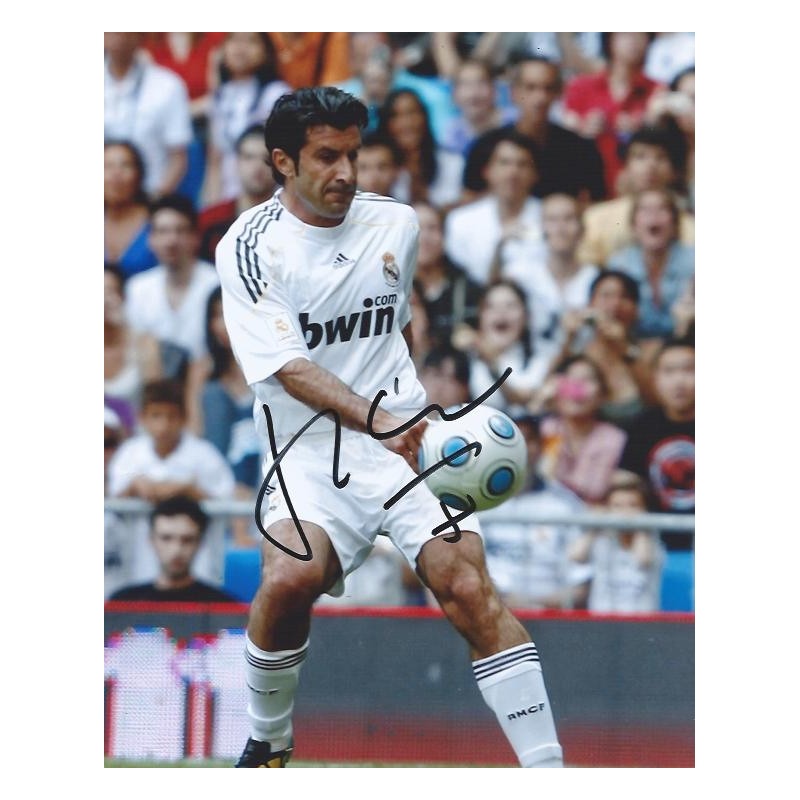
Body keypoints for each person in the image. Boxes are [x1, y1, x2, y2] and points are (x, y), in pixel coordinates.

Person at [214, 87, 563, 768]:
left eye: (354, 154)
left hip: (407, 441)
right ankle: (269, 739)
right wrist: (379, 419)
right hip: (307, 450)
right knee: (290, 578)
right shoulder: (250, 246)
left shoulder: (396, 223)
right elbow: (288, 367)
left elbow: (397, 327)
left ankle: (548, 771)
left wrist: (409, 416)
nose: (347, 172)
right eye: (327, 157)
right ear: (283, 161)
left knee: (467, 585)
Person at [106, 379, 236, 585]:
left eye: (171, 416)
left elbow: (226, 501)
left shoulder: (204, 454)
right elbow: (113, 499)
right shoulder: (130, 453)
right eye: (156, 416)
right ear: (142, 418)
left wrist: (188, 491)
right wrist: (135, 486)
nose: (164, 425)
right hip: (139, 559)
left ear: (183, 418)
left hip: (196, 562)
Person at [124, 194, 219, 426]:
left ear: (195, 237)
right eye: (162, 231)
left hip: (207, 392)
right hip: (152, 393)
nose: (171, 240)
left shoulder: (216, 284)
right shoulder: (138, 288)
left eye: (180, 231)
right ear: (150, 239)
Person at [481, 414, 590, 610]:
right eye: (509, 441)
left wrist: (531, 606)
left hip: (550, 617)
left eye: (527, 440)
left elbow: (580, 586)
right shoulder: (477, 501)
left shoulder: (567, 505)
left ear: (541, 448)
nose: (519, 448)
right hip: (486, 611)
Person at [462, 57, 606, 204]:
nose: (540, 98)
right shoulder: (485, 147)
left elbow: (596, 206)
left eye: (548, 88)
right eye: (530, 88)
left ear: (559, 93)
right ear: (514, 93)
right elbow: (469, 203)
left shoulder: (581, 150)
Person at [497, 192, 600, 356]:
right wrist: (499, 247)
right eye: (552, 220)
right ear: (541, 228)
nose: (560, 228)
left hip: (581, 361)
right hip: (527, 361)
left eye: (569, 219)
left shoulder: (595, 278)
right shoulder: (521, 274)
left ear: (582, 229)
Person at [577, 125, 694, 266]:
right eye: (640, 156)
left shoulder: (690, 227)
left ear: (674, 170)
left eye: (661, 157)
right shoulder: (596, 218)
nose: (651, 165)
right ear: (626, 165)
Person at [617, 338, 694, 551]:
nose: (679, 381)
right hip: (655, 546)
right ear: (655, 379)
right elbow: (625, 484)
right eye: (669, 372)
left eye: (690, 370)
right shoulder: (642, 426)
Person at [199, 288, 263, 547]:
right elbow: (197, 431)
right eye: (216, 315)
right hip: (218, 471)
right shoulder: (203, 371)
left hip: (264, 467)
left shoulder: (270, 364)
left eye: (229, 313)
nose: (223, 323)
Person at [562, 33, 662, 197]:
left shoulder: (657, 91)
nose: (633, 41)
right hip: (589, 183)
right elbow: (566, 133)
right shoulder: (581, 86)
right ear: (609, 39)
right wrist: (583, 128)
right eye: (625, 34)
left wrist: (644, 126)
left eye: (641, 35)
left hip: (639, 191)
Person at [551, 269, 654, 425]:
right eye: (606, 296)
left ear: (637, 309)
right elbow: (550, 394)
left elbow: (655, 401)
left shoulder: (651, 351)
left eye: (625, 297)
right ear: (590, 305)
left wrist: (623, 347)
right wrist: (569, 339)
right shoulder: (581, 354)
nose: (615, 304)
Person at [444, 130, 543, 286]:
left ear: (535, 174)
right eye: (504, 163)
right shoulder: (460, 221)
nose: (513, 172)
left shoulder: (551, 219)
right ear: (487, 171)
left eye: (522, 164)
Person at [204, 33, 290, 205]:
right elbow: (215, 160)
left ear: (266, 52)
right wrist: (213, 206)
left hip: (270, 199)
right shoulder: (221, 94)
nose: (240, 48)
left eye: (251, 41)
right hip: (229, 198)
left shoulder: (278, 94)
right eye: (234, 40)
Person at [104, 33, 193, 198]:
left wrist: (154, 202)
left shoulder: (168, 85)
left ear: (140, 37)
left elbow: (178, 158)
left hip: (151, 195)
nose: (119, 35)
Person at [109, 495, 238, 603]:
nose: (176, 549)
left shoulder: (224, 606)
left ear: (200, 542)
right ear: (151, 540)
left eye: (187, 539)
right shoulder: (122, 602)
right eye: (166, 538)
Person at [452, 279, 553, 418]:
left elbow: (523, 400)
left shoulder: (540, 359)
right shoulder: (465, 354)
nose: (501, 313)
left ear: (526, 317)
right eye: (491, 306)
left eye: (510, 306)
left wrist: (491, 365)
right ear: (480, 316)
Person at [536, 355, 628, 505]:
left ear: (602, 394)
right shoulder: (545, 430)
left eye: (587, 380)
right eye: (570, 379)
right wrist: (538, 402)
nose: (577, 388)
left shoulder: (614, 438)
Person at [567, 473, 664, 613]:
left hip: (640, 619)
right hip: (603, 618)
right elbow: (576, 556)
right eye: (618, 506)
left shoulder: (649, 538)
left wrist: (640, 526)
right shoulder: (601, 540)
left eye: (633, 505)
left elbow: (643, 560)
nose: (625, 513)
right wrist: (595, 526)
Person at [606, 187, 694, 341]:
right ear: (633, 225)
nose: (653, 215)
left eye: (662, 209)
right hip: (632, 344)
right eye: (645, 210)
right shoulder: (619, 264)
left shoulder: (695, 260)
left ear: (675, 224)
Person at [199, 124, 276, 264]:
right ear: (235, 163)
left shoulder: (294, 221)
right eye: (249, 157)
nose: (257, 167)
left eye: (266, 159)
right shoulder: (209, 220)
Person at [376, 88, 464, 208]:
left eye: (412, 113)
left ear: (424, 117)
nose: (407, 123)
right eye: (396, 116)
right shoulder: (378, 166)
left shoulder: (451, 162)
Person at [412, 200, 482, 349]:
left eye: (432, 228)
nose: (424, 237)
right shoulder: (390, 289)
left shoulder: (468, 289)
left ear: (444, 235)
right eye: (416, 228)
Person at [104, 262, 161, 411]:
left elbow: (155, 401)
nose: (104, 301)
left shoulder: (145, 342)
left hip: (137, 423)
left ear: (123, 297)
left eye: (110, 292)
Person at [104, 140, 158, 277]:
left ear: (139, 174)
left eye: (125, 165)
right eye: (107, 166)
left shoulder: (157, 219)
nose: (116, 174)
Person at [441, 58, 517, 156]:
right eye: (466, 85)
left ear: (495, 90)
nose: (474, 93)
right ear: (454, 95)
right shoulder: (451, 134)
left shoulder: (515, 121)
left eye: (481, 83)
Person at [355, 131, 401, 198]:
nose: (373, 177)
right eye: (363, 168)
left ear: (396, 170)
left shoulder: (407, 204)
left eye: (382, 167)